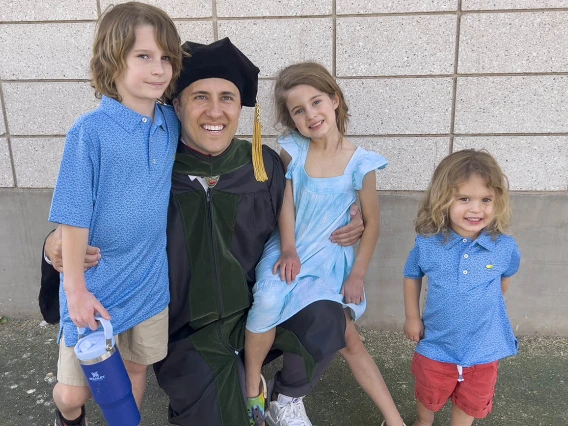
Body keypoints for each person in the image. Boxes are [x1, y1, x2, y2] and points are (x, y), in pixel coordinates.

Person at [42, 38, 365, 426]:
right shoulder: (151, 166)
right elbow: (87, 222)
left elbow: (300, 218)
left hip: (257, 314)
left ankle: (285, 397)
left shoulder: (261, 166)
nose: (216, 111)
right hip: (188, 331)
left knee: (327, 315)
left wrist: (349, 214)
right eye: (200, 97)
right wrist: (50, 247)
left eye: (227, 97)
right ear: (175, 105)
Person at [244, 62, 406, 426]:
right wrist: (287, 248)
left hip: (330, 261)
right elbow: (286, 203)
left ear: (335, 100)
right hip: (292, 248)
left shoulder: (361, 163)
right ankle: (251, 382)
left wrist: (358, 275)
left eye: (316, 102)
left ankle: (392, 420)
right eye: (298, 110)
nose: (310, 115)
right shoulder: (293, 151)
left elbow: (373, 221)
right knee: (269, 297)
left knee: (345, 335)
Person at [46, 3, 183, 425]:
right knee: (74, 392)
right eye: (143, 56)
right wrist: (75, 292)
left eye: (166, 58)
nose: (158, 68)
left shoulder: (170, 123)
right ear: (113, 58)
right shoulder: (90, 131)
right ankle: (70, 417)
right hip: (94, 287)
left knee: (135, 370)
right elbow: (72, 213)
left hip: (148, 281)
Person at [403, 149, 521, 426]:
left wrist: (488, 302)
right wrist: (411, 316)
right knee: (428, 391)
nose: (476, 209)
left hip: (484, 346)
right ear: (442, 199)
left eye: (486, 199)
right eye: (464, 198)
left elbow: (506, 277)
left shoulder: (504, 247)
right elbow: (411, 275)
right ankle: (423, 421)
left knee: (473, 397)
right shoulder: (429, 244)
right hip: (436, 343)